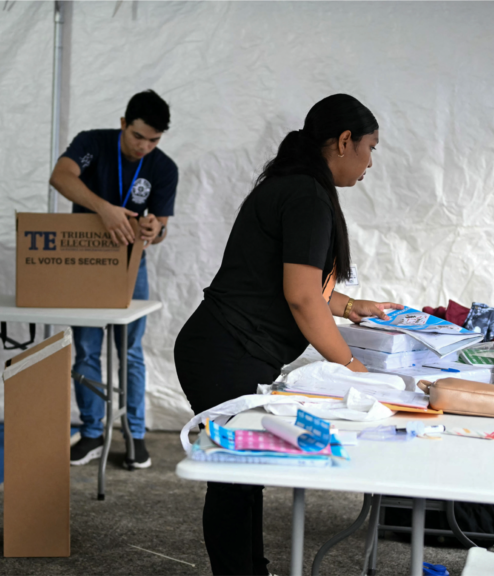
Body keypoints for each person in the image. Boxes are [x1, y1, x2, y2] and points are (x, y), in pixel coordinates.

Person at [174, 94, 401, 576]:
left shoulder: (298, 187)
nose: (371, 161)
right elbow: (301, 297)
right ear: (344, 142)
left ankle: (251, 569)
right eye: (371, 147)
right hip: (225, 351)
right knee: (234, 478)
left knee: (244, 476)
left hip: (228, 348)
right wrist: (351, 367)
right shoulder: (306, 195)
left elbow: (297, 287)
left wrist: (350, 306)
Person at [50, 90, 178, 470]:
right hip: (84, 260)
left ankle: (134, 433)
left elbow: (162, 227)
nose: (145, 146)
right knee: (87, 348)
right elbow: (60, 176)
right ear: (123, 124)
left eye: (154, 140)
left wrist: (155, 229)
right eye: (138, 136)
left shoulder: (164, 167)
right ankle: (91, 432)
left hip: (130, 266)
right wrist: (104, 210)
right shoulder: (93, 143)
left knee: (130, 351)